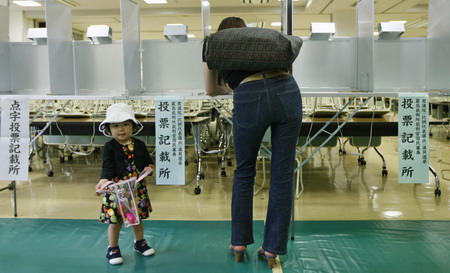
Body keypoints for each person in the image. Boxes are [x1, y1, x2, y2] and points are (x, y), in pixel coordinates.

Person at [202, 17, 302, 268]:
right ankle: (272, 249)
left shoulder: (213, 44)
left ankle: (238, 243)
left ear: (221, 31)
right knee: (282, 173)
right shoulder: (263, 42)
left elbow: (210, 90)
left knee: (245, 171)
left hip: (249, 96)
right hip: (288, 92)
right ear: (245, 30)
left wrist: (232, 88)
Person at [95, 103, 155, 265]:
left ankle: (139, 242)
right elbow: (107, 167)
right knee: (116, 220)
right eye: (115, 126)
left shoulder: (140, 145)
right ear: (108, 129)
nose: (121, 129)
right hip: (116, 190)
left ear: (133, 127)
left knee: (136, 218)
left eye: (125, 124)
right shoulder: (109, 147)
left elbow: (148, 163)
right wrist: (103, 181)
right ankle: (113, 248)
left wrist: (149, 169)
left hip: (136, 189)